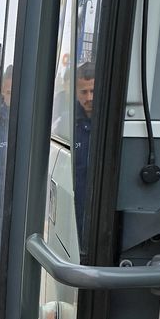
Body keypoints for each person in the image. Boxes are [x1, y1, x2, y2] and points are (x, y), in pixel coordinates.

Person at [73, 61, 95, 233]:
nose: (89, 98)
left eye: (93, 91)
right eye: (84, 92)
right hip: (74, 208)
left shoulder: (113, 123)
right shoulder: (66, 123)